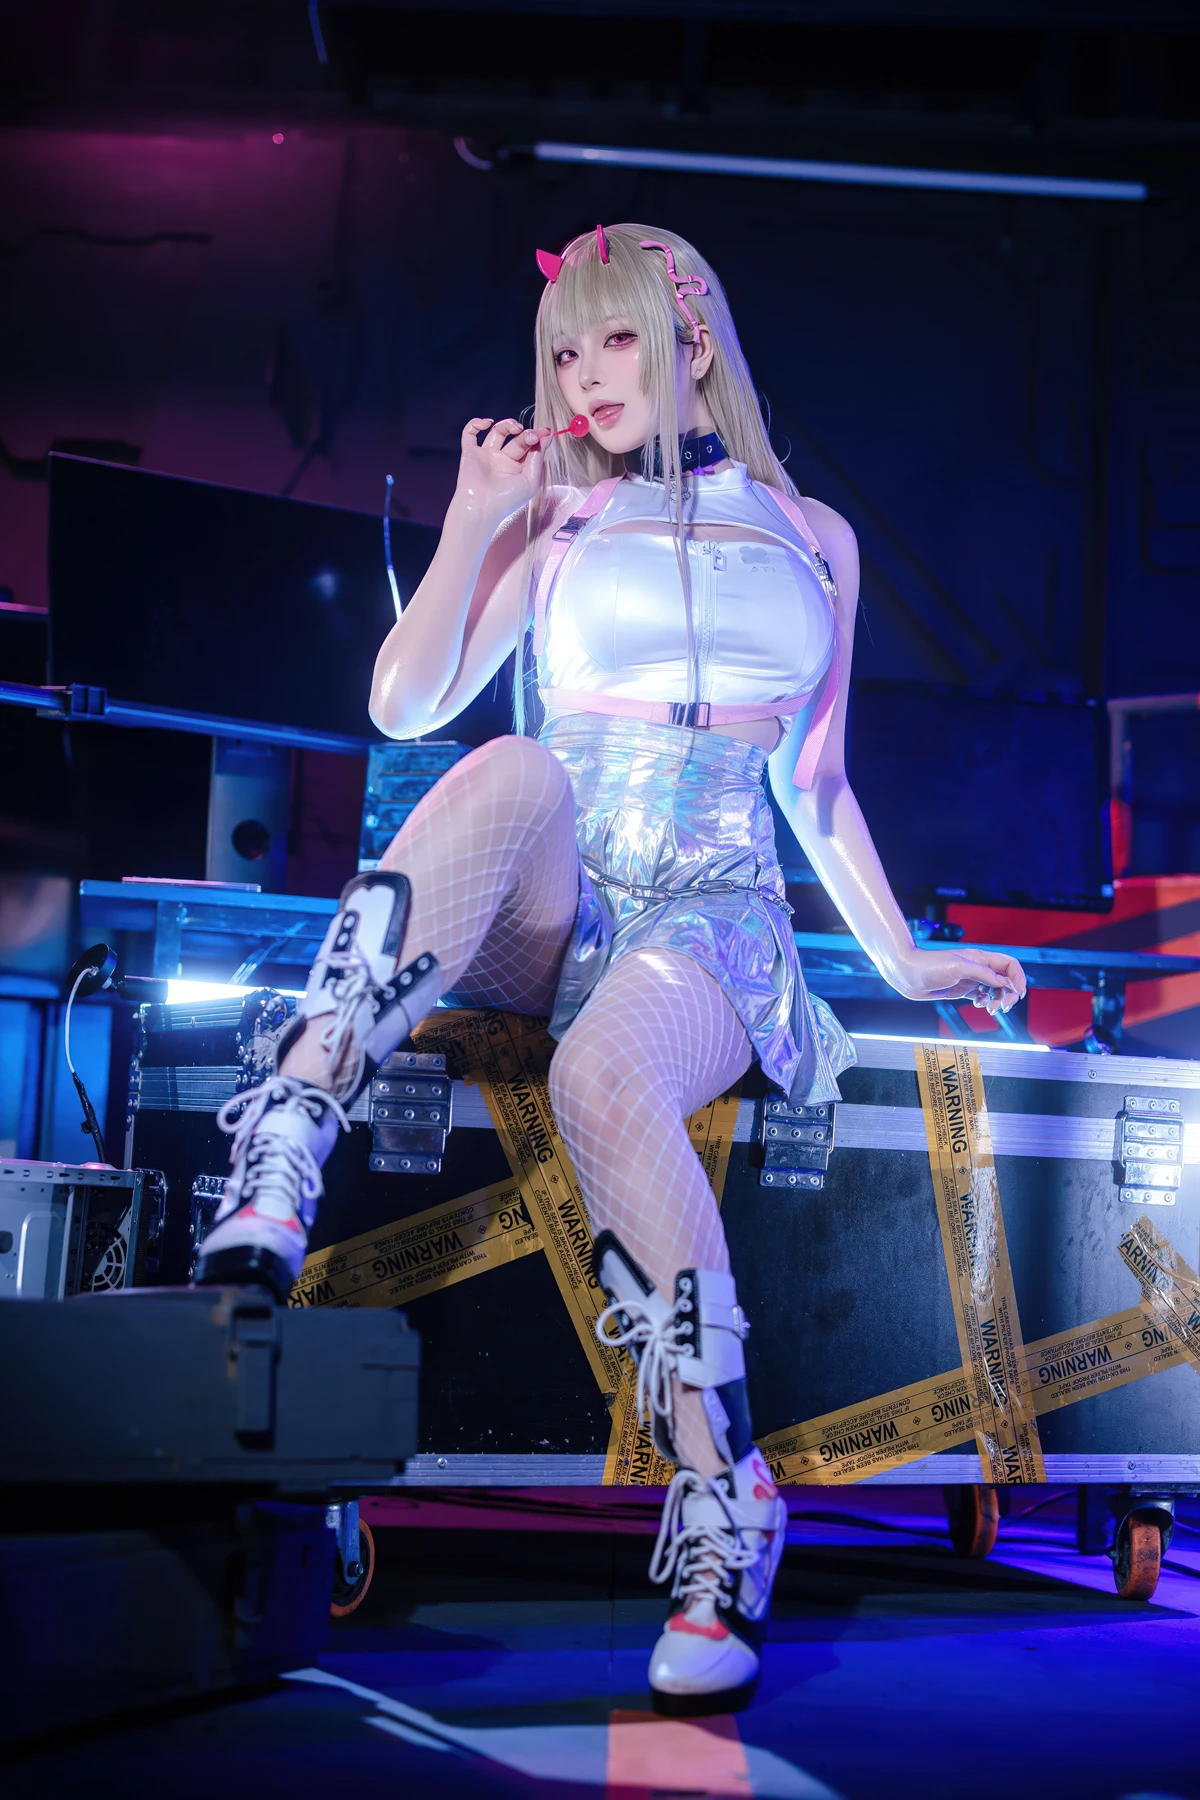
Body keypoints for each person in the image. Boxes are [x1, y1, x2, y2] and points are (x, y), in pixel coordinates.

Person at [195, 223, 1027, 1714]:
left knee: (602, 1073)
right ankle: (293, 1125)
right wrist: (474, 521)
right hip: (554, 891)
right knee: (509, 762)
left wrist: (907, 959)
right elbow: (403, 706)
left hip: (716, 915)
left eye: (613, 338)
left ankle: (725, 1498)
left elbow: (816, 784)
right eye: (562, 348)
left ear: (692, 339)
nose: (581, 375)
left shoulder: (817, 539)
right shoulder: (554, 515)